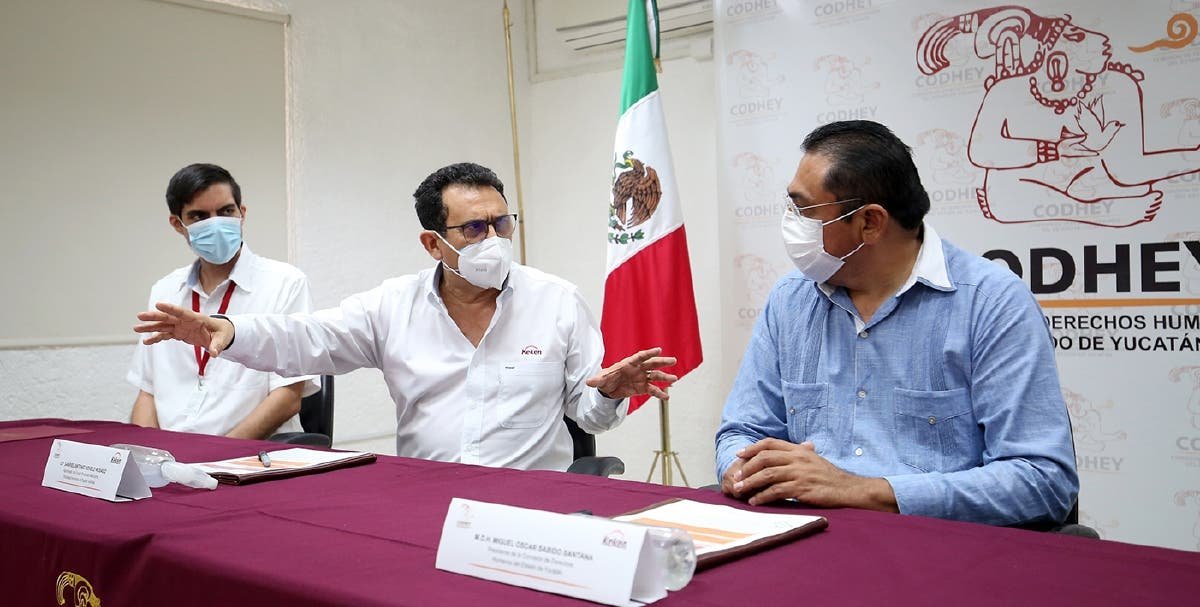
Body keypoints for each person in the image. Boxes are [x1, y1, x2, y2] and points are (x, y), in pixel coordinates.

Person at [135, 162, 676, 470]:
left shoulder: (557, 300)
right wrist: (229, 330)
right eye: (474, 228)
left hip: (532, 502)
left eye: (501, 223)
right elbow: (308, 338)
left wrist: (609, 392)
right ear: (433, 243)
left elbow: (591, 417)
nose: (493, 238)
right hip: (427, 499)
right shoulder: (392, 306)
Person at [715, 121, 1079, 526]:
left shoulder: (991, 302)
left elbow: (1042, 480)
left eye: (805, 211)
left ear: (870, 222)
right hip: (803, 539)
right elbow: (742, 431)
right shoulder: (790, 299)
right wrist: (741, 469)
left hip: (936, 547)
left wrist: (860, 490)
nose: (791, 222)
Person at [128, 163, 317, 439]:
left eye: (226, 211)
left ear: (242, 213)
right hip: (171, 455)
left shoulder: (285, 283)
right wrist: (148, 453)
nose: (215, 224)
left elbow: (287, 397)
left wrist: (217, 455)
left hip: (247, 453)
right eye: (199, 216)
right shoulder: (165, 291)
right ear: (178, 225)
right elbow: (147, 393)